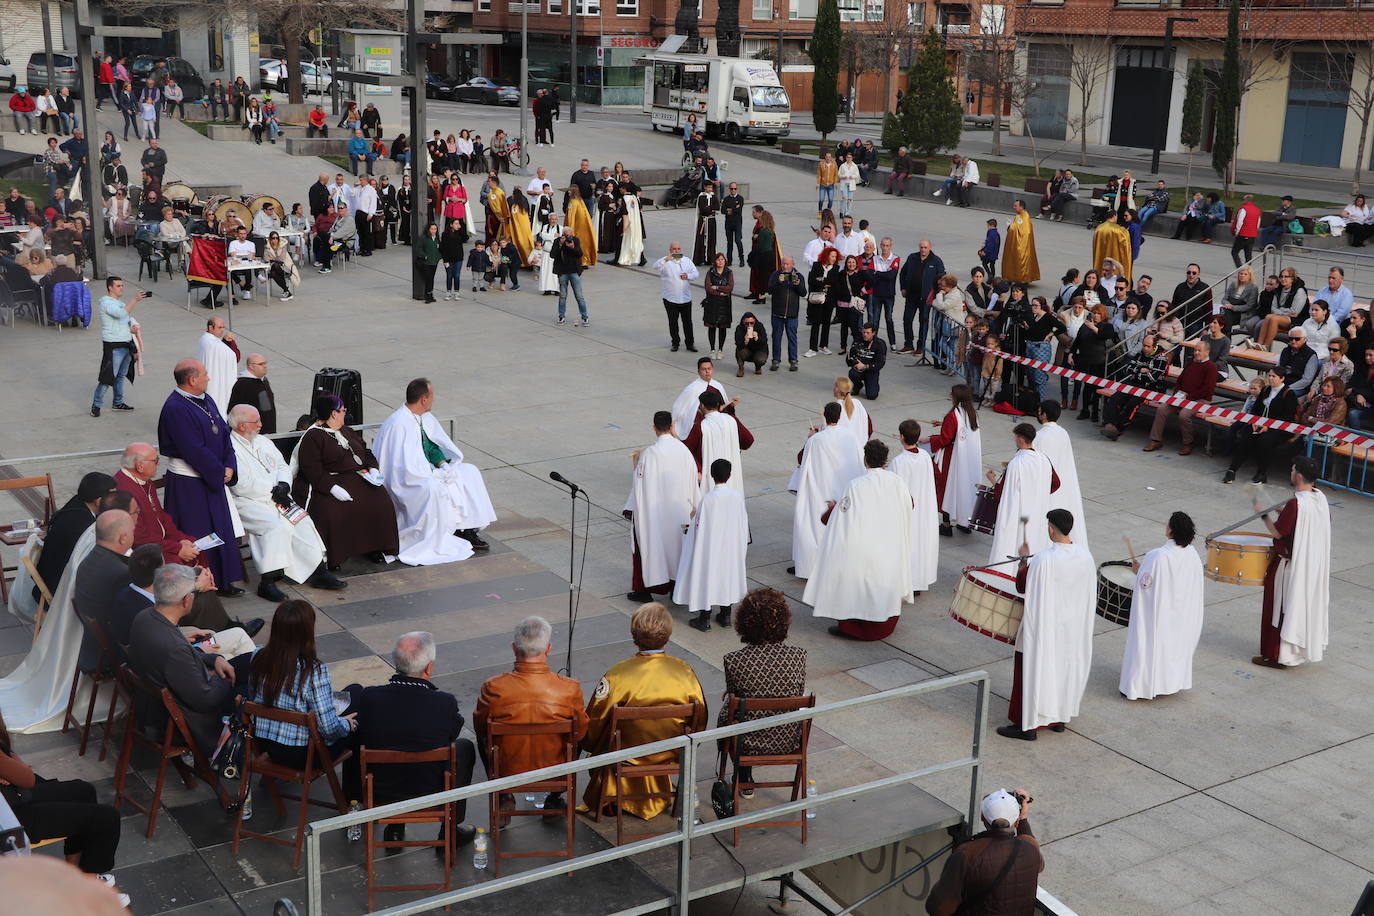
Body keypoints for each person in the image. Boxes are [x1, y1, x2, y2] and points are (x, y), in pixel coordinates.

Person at [579, 604, 707, 818]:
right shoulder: (684, 671)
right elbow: (699, 718)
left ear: (634, 634)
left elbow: (595, 722)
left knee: (604, 743)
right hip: (671, 750)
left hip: (626, 754)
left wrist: (590, 745)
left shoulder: (617, 674)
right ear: (668, 635)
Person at [354, 632, 478, 848]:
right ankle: (449, 832)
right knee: (463, 748)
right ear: (429, 668)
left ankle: (394, 825)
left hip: (381, 790)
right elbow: (451, 734)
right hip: (429, 789)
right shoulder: (444, 703)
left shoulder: (369, 697)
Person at [0, 708, 129, 907]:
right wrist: (13, 767)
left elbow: (23, 775)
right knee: (106, 818)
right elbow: (26, 777)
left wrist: (13, 768)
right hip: (9, 820)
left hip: (11, 798)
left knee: (84, 791)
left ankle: (74, 878)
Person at [127, 565, 248, 757]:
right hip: (185, 724)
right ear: (186, 600)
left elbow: (182, 656)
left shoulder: (146, 617)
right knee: (253, 681)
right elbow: (206, 700)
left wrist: (214, 659)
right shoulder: (174, 648)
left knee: (250, 661)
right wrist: (219, 678)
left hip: (154, 708)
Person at [247, 599, 361, 803]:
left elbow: (255, 698)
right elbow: (328, 729)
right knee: (358, 700)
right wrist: (346, 724)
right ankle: (353, 798)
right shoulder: (313, 671)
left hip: (268, 747)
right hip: (303, 755)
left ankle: (270, 777)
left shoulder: (258, 657)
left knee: (349, 694)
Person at [227, 404, 345, 600]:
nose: (261, 425)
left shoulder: (262, 441)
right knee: (276, 526)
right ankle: (268, 580)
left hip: (278, 497)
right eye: (256, 422)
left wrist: (284, 485)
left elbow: (282, 465)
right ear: (241, 426)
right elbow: (242, 485)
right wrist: (274, 492)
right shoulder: (230, 448)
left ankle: (317, 571)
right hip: (249, 502)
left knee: (303, 521)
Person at [372, 378, 496, 564]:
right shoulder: (398, 424)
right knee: (433, 489)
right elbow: (399, 465)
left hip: (429, 469)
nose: (433, 400)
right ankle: (432, 538)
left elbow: (431, 446)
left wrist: (442, 465)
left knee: (470, 472)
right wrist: (431, 474)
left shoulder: (423, 418)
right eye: (432, 396)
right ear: (423, 399)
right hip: (408, 480)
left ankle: (468, 529)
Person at [473, 616, 587, 818]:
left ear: (514, 649)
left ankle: (504, 795)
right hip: (555, 770)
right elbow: (582, 733)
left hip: (507, 769)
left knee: (484, 738)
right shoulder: (569, 688)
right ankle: (554, 796)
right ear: (548, 649)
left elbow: (481, 728)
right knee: (578, 732)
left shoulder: (494, 687)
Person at [997, 509, 1095, 741]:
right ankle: (1058, 719)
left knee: (1032, 671)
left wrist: (1023, 562)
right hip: (1072, 628)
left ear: (1051, 528)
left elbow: (1023, 586)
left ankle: (1027, 726)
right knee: (1063, 672)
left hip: (1045, 628)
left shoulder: (1044, 559)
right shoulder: (1085, 556)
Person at [807, 439, 913, 641]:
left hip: (864, 542)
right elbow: (910, 504)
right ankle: (881, 624)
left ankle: (854, 627)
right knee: (882, 583)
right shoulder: (897, 482)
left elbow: (842, 516)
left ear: (865, 460)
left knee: (856, 584)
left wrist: (831, 509)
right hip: (889, 542)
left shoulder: (855, 485)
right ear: (885, 461)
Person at [157, 359, 244, 596]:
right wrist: (218, 471)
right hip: (190, 483)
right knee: (199, 533)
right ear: (192, 380)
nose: (209, 377)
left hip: (212, 475)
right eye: (205, 374)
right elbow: (192, 449)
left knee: (220, 530)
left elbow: (224, 434)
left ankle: (223, 580)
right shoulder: (176, 408)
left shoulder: (206, 399)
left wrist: (230, 465)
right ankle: (201, 585)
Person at [291, 396, 401, 568]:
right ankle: (338, 555)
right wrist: (332, 488)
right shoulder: (313, 437)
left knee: (381, 502)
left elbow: (365, 453)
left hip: (359, 477)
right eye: (342, 411)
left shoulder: (347, 430)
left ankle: (375, 547)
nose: (345, 413)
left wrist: (373, 469)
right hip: (330, 482)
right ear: (333, 414)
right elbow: (312, 468)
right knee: (334, 511)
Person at [715, 587, 807, 790]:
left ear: (745, 623)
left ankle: (743, 776)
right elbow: (796, 692)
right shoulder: (799, 656)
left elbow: (734, 699)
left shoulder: (734, 660)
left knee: (729, 711)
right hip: (786, 738)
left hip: (747, 741)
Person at [1252, 457, 1330, 668]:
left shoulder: (1296, 504)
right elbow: (1311, 523)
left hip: (1289, 566)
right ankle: (1288, 652)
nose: (1291, 472)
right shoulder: (1320, 498)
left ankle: (1275, 655)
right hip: (1310, 565)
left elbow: (1278, 532)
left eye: (1293, 469)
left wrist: (1263, 515)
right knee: (1291, 607)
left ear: (1300, 476)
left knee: (1277, 607)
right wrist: (1284, 513)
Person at [1119, 511, 1204, 701]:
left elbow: (1146, 585)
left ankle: (1140, 686)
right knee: (1173, 647)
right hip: (1181, 612)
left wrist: (1138, 572)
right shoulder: (1192, 554)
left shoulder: (1157, 556)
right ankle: (1170, 682)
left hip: (1160, 613)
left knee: (1150, 646)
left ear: (1171, 531)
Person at [925, 788, 1042, 915]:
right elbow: (1037, 858)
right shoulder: (1030, 848)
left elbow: (939, 909)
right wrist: (1023, 817)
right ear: (1017, 821)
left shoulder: (967, 853)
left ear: (982, 817)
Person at [624, 410, 699, 604]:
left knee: (650, 547)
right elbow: (693, 479)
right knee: (678, 550)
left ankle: (644, 590)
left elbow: (640, 484)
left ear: (654, 428)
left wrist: (636, 463)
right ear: (671, 427)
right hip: (679, 511)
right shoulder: (683, 450)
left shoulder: (649, 454)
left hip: (655, 513)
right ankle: (677, 587)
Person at [673, 459, 750, 632]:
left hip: (710, 547)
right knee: (726, 576)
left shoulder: (707, 499)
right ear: (730, 476)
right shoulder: (736, 497)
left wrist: (693, 517)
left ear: (711, 475)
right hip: (730, 545)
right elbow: (743, 522)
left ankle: (704, 618)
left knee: (706, 577)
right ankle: (726, 615)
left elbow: (699, 527)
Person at [790, 402, 864, 579]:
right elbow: (859, 461)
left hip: (819, 487)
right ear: (839, 416)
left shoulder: (816, 439)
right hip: (843, 487)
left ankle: (809, 567)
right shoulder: (851, 436)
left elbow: (803, 461)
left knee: (814, 527)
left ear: (825, 416)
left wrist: (810, 438)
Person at [31, 473, 116, 604]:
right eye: (113, 497)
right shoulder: (84, 526)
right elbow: (89, 566)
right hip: (59, 590)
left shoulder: (77, 503)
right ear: (98, 501)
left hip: (50, 580)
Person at [987, 424, 1059, 565]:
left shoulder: (1016, 463)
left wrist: (992, 480)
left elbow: (1001, 493)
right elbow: (1056, 483)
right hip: (1038, 512)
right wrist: (1039, 493)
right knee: (1034, 542)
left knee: (1014, 544)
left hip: (1019, 514)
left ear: (1020, 438)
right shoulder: (1044, 459)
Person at [1142, 340, 1219, 456]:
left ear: (1207, 352)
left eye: (1199, 351)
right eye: (1195, 350)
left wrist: (1188, 397)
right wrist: (1177, 394)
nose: (1196, 353)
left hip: (1200, 399)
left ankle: (1188, 443)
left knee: (1184, 415)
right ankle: (1156, 440)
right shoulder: (1191, 363)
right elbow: (1180, 380)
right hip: (1183, 396)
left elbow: (1207, 389)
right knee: (1162, 408)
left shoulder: (1211, 367)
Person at [924, 385, 983, 535]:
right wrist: (943, 424)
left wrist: (929, 439)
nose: (950, 396)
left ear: (957, 397)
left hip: (952, 458)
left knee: (947, 488)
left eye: (952, 394)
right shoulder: (972, 413)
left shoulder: (953, 416)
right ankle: (964, 521)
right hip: (969, 458)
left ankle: (946, 524)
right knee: (965, 488)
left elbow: (945, 439)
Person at [1224, 367, 1299, 484]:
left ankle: (1262, 473)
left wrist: (1269, 425)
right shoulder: (1265, 390)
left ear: (1282, 378)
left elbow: (1287, 416)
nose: (1270, 378)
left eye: (1274, 376)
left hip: (1280, 428)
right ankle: (1232, 470)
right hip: (1260, 423)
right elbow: (1255, 409)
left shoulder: (1289, 394)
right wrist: (1254, 421)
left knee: (1264, 441)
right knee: (1246, 437)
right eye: (1269, 375)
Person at [890, 420, 940, 595]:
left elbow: (891, 487)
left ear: (901, 437)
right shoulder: (925, 457)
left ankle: (905, 582)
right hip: (923, 509)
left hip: (907, 510)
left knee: (906, 544)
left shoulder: (899, 461)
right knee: (919, 544)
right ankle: (917, 582)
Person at [90, 276, 147, 418]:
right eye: (118, 286)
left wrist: (132, 330)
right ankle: (96, 405)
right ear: (110, 287)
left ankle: (118, 402)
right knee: (107, 377)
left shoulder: (119, 303)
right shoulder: (106, 303)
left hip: (126, 343)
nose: (121, 288)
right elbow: (120, 314)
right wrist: (135, 300)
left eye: (122, 285)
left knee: (120, 376)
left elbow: (124, 320)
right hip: (114, 345)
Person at [683, 388, 754, 497]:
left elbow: (687, 450)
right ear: (717, 404)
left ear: (701, 406)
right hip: (731, 474)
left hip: (710, 478)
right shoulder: (732, 420)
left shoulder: (700, 426)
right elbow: (748, 441)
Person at [1101, 334, 1171, 439]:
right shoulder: (1140, 354)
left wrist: (1136, 372)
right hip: (1134, 384)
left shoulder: (1161, 359)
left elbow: (1152, 378)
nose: (1145, 348)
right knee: (1115, 398)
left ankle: (1119, 428)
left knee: (1132, 404)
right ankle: (1110, 424)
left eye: (1148, 346)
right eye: (1144, 345)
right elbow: (1127, 368)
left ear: (1154, 346)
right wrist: (1140, 370)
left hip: (1150, 388)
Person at [898, 239, 944, 355]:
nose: (923, 250)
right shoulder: (912, 258)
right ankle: (908, 344)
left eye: (925, 247)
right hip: (911, 296)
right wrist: (903, 288)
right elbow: (903, 273)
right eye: (921, 247)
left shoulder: (936, 261)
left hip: (926, 298)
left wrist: (936, 294)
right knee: (907, 319)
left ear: (930, 247)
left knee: (923, 322)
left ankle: (921, 346)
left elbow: (942, 279)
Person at [670, 356, 734, 439]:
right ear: (698, 372)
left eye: (709, 368)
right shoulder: (692, 389)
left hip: (718, 426)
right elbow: (679, 408)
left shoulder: (718, 386)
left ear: (713, 370)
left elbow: (723, 407)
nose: (707, 371)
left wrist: (731, 404)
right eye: (704, 369)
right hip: (702, 428)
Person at [655, 242, 700, 353]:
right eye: (674, 249)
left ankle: (690, 343)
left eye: (678, 248)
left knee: (687, 322)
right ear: (670, 250)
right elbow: (655, 266)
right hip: (670, 299)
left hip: (685, 298)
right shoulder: (665, 261)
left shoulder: (687, 261)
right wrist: (666, 259)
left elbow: (696, 273)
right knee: (673, 322)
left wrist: (688, 276)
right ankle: (675, 343)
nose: (677, 251)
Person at [194, 317, 240, 420]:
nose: (222, 330)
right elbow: (235, 356)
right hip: (214, 384)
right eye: (219, 327)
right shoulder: (212, 343)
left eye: (223, 327)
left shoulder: (205, 340)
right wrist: (231, 343)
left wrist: (226, 342)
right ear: (211, 327)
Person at [767, 255, 804, 371]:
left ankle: (793, 360)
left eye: (787, 264)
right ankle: (776, 360)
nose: (785, 266)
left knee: (792, 337)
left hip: (792, 314)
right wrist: (779, 282)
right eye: (783, 263)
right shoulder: (776, 275)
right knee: (776, 337)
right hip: (778, 313)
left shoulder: (798, 276)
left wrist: (798, 285)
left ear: (793, 264)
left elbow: (803, 293)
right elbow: (769, 290)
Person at [552, 224, 590, 326]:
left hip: (574, 271)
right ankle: (561, 316)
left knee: (579, 296)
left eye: (569, 235)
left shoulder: (575, 240)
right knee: (563, 296)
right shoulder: (557, 241)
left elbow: (580, 254)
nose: (568, 238)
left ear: (572, 234)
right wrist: (560, 245)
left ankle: (585, 317)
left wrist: (572, 247)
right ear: (562, 235)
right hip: (562, 272)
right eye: (565, 235)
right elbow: (552, 255)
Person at [702, 252, 734, 360]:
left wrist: (716, 287)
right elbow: (708, 287)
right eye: (718, 259)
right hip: (712, 303)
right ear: (715, 261)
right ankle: (712, 349)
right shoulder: (710, 272)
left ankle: (720, 349)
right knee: (712, 327)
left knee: (722, 327)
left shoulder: (729, 273)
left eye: (722, 259)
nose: (720, 261)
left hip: (724, 304)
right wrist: (720, 291)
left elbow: (730, 288)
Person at [1001, 200, 1039, 285]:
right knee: (1012, 260)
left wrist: (1010, 227)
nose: (1014, 207)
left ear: (1021, 207)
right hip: (1015, 244)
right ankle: (1010, 277)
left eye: (1016, 206)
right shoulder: (1019, 216)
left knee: (1020, 261)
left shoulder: (1024, 217)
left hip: (1021, 245)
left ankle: (1022, 278)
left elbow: (1025, 232)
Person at [748, 206, 781, 303]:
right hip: (769, 255)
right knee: (765, 276)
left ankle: (761, 297)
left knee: (762, 277)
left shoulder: (763, 231)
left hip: (762, 255)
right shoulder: (771, 230)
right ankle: (761, 295)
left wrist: (755, 238)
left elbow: (760, 244)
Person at [733, 311, 768, 377]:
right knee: (740, 352)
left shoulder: (759, 326)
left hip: (758, 350)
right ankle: (741, 368)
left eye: (752, 323)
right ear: (743, 322)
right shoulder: (739, 328)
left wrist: (757, 338)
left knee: (761, 359)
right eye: (747, 323)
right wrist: (745, 341)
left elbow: (765, 341)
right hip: (746, 351)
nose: (749, 325)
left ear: (755, 321)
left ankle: (758, 367)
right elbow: (738, 344)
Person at [1231, 193, 1261, 265]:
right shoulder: (1257, 210)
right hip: (1252, 235)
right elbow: (1258, 223)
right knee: (1248, 254)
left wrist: (1237, 232)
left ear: (1245, 200)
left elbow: (1240, 222)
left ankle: (1240, 268)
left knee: (1234, 252)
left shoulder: (1243, 209)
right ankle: (1248, 271)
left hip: (1243, 234)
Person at [720, 181, 745, 267]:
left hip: (737, 222)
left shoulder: (740, 198)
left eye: (735, 189)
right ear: (729, 189)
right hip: (728, 223)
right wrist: (733, 209)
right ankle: (729, 260)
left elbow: (739, 209)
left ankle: (741, 259)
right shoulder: (726, 199)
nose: (733, 190)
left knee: (738, 240)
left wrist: (731, 210)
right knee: (729, 242)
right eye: (732, 189)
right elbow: (722, 210)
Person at [815, 151, 837, 216]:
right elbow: (819, 174)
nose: (828, 158)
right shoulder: (821, 164)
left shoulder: (834, 164)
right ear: (825, 157)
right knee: (821, 199)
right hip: (823, 184)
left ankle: (828, 211)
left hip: (831, 185)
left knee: (830, 200)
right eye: (827, 157)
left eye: (829, 157)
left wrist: (835, 182)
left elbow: (836, 174)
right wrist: (818, 183)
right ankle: (820, 211)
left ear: (831, 158)